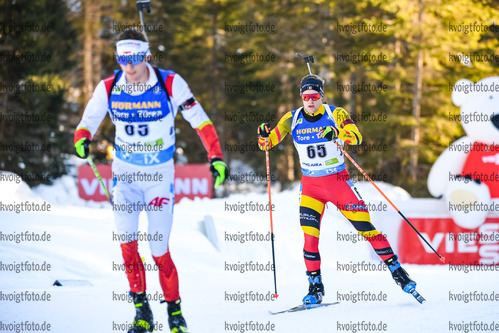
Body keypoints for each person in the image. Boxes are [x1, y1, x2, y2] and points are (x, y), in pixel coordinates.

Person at [74, 29, 228, 333]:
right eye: (122, 59)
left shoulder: (170, 83)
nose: (128, 66)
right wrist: (81, 137)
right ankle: (142, 312)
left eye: (134, 58)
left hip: (158, 177)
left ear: (146, 55)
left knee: (159, 249)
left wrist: (216, 156)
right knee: (128, 248)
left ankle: (175, 312)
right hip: (126, 177)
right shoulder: (109, 87)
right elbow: (88, 120)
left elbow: (201, 121)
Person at [257, 74, 415, 304]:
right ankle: (315, 286)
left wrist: (337, 133)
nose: (309, 101)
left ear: (321, 96)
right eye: (305, 97)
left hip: (338, 183)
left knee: (366, 228)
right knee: (310, 238)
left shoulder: (336, 113)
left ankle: (399, 272)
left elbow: (356, 137)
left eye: (314, 96)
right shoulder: (291, 119)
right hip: (311, 187)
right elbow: (268, 143)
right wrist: (262, 135)